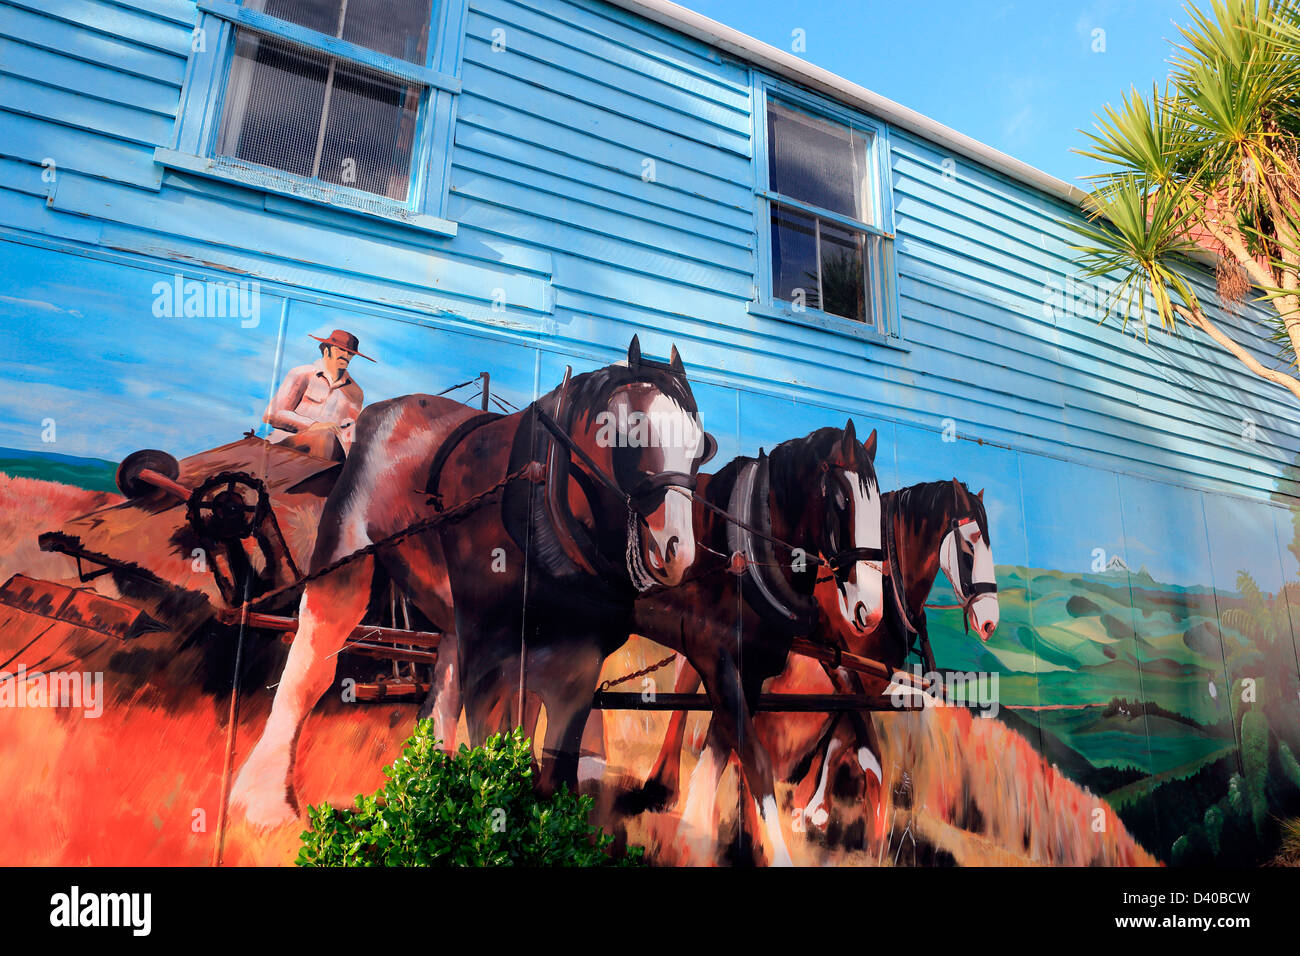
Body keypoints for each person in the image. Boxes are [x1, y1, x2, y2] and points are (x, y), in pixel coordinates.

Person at [264, 329, 373, 458]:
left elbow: (349, 434)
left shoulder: (356, 393)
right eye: (340, 350)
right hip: (286, 445)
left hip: (326, 455)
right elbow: (273, 414)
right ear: (326, 350)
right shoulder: (302, 373)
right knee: (324, 437)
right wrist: (314, 426)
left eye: (350, 353)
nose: (346, 355)